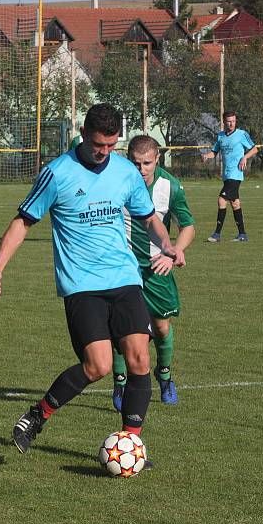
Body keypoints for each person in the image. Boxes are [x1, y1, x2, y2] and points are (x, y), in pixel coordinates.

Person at [0, 103, 177, 456]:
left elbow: (148, 218)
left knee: (139, 361)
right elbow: (22, 223)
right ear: (84, 134)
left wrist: (168, 245)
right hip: (82, 286)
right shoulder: (57, 173)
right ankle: (37, 416)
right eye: (98, 145)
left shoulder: (125, 172)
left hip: (124, 278)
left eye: (111, 146)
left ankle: (129, 443)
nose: (104, 153)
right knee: (99, 366)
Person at [111, 136, 195, 411]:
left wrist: (174, 253)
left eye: (147, 163)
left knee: (160, 326)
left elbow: (188, 226)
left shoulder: (169, 185)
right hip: (122, 268)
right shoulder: (115, 180)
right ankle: (121, 381)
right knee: (122, 329)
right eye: (136, 163)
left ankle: (165, 375)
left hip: (156, 267)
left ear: (157, 159)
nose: (141, 169)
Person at [201, 110, 258, 242]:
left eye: (233, 121)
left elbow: (254, 149)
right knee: (235, 203)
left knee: (221, 200)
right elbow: (214, 152)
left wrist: (245, 157)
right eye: (228, 121)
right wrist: (206, 156)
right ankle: (242, 234)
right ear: (224, 122)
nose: (231, 123)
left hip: (235, 175)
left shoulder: (242, 134)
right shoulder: (221, 136)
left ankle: (217, 234)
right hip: (226, 176)